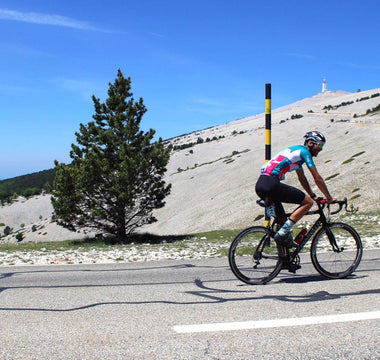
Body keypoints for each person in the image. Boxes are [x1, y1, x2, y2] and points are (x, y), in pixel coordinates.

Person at [255, 130, 336, 247]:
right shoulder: (304, 152)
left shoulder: (296, 153)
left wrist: (313, 195)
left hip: (261, 184)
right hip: (271, 183)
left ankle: (284, 260)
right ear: (310, 143)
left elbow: (302, 178)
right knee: (307, 202)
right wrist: (329, 197)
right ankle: (283, 233)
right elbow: (317, 178)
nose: (321, 149)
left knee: (283, 222)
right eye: (320, 145)